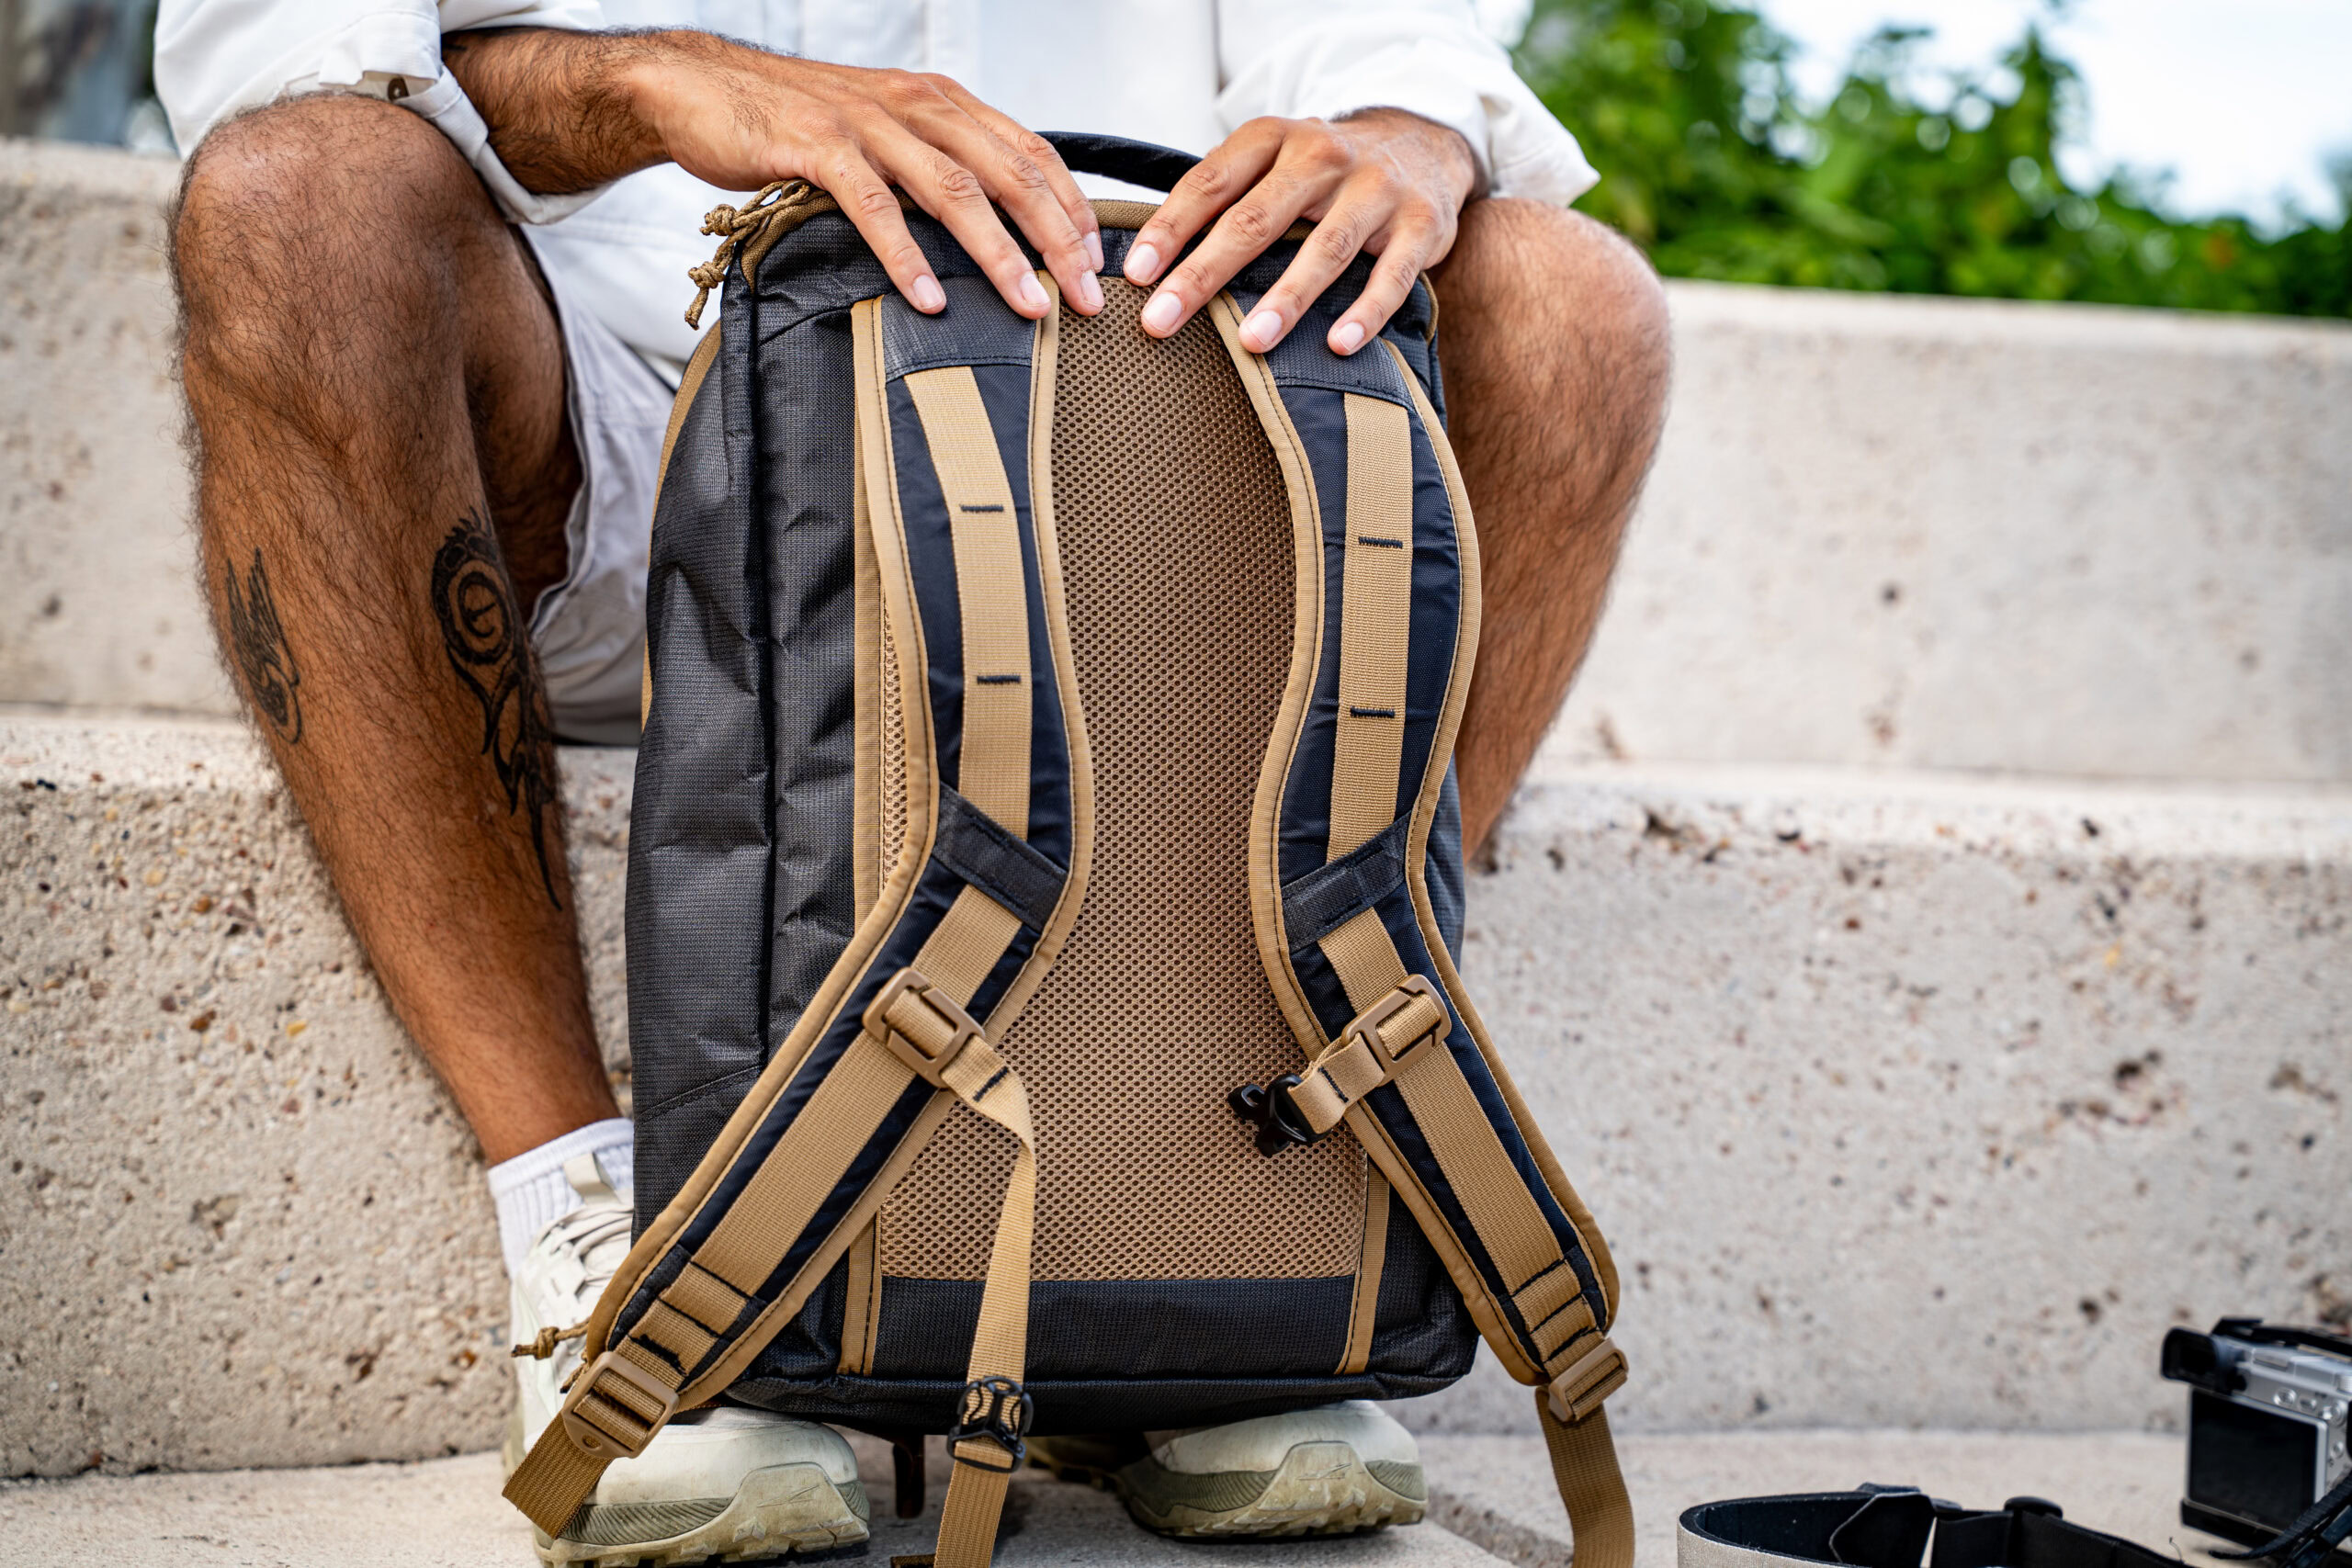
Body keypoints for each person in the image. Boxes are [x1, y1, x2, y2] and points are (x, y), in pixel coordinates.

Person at [155, 0, 1671, 1558]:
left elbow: (1384, 41)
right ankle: (615, 1233)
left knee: (1570, 301)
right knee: (301, 200)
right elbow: (282, 53)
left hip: (1130, 444)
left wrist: (1403, 134)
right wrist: (640, 78)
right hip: (597, 420)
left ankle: (1233, 1209)